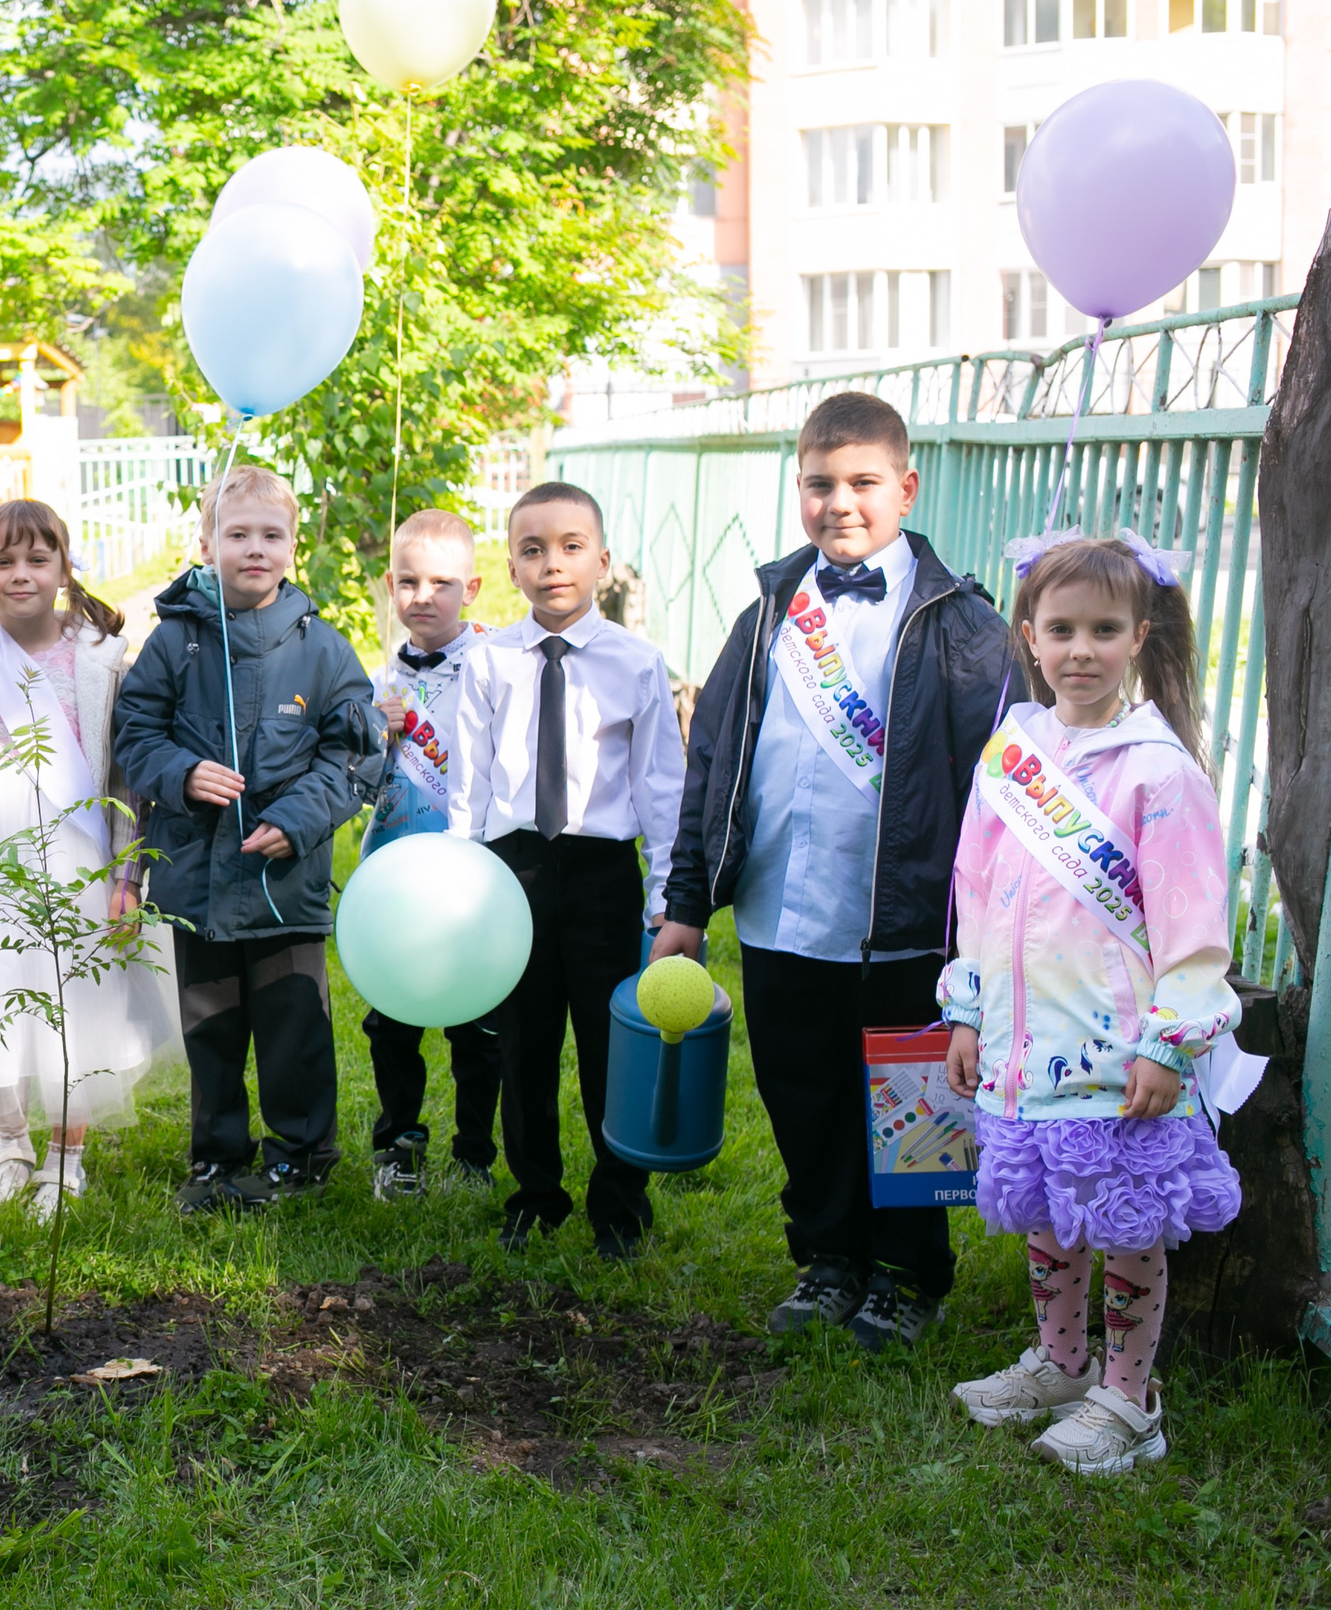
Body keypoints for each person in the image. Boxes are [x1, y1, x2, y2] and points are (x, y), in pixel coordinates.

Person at [655, 391, 1017, 1350]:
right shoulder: (769, 612)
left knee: (908, 1097)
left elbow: (999, 783)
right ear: (798, 489)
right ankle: (828, 1258)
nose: (839, 503)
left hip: (901, 920)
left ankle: (908, 1272)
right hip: (782, 912)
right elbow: (716, 760)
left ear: (906, 486)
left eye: (862, 483)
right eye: (820, 484)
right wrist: (687, 901)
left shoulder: (961, 625)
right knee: (802, 1090)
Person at [939, 530, 1243, 1473]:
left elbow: (1193, 926)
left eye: (1103, 630)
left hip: (1120, 1058)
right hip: (1025, 1050)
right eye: (1061, 628)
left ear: (1139, 636)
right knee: (1047, 1214)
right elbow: (975, 894)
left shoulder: (1160, 772)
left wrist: (1170, 1040)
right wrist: (968, 1007)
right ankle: (1063, 1363)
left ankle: (1130, 1396)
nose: (1080, 650)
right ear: (1028, 634)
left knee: (1126, 1224)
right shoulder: (1012, 755)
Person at [115, 463, 384, 1213]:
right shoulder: (175, 644)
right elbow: (134, 733)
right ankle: (216, 1156)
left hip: (283, 883)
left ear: (294, 547)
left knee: (292, 1021)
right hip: (198, 878)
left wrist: (295, 822)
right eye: (238, 535)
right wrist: (181, 771)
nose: (254, 549)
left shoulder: (324, 650)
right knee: (213, 1025)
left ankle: (302, 1152)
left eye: (272, 535)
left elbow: (356, 753)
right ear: (207, 544)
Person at [0, 499, 181, 1222]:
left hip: (80, 856)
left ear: (66, 567)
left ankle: (67, 1157)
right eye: (3, 560)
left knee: (76, 998)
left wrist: (127, 877)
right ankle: (12, 1144)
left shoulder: (103, 659)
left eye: (38, 559)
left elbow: (127, 776)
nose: (21, 574)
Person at [447, 483, 683, 1258]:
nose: (553, 563)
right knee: (524, 1041)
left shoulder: (637, 664)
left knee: (610, 1045)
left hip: (602, 874)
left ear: (603, 561)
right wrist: (461, 885)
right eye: (533, 548)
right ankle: (534, 1192)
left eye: (572, 546)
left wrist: (664, 900)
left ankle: (619, 1202)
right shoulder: (487, 662)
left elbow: (660, 791)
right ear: (511, 565)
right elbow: (470, 787)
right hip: (514, 872)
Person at [360, 507, 503, 1202]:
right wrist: (371, 736)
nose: (424, 596)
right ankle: (398, 1145)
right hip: (394, 878)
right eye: (410, 581)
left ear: (472, 587)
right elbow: (354, 781)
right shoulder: (375, 681)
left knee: (478, 1022)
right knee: (393, 1018)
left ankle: (475, 1153)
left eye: (442, 582)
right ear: (391, 584)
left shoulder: (501, 667)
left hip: (472, 878)